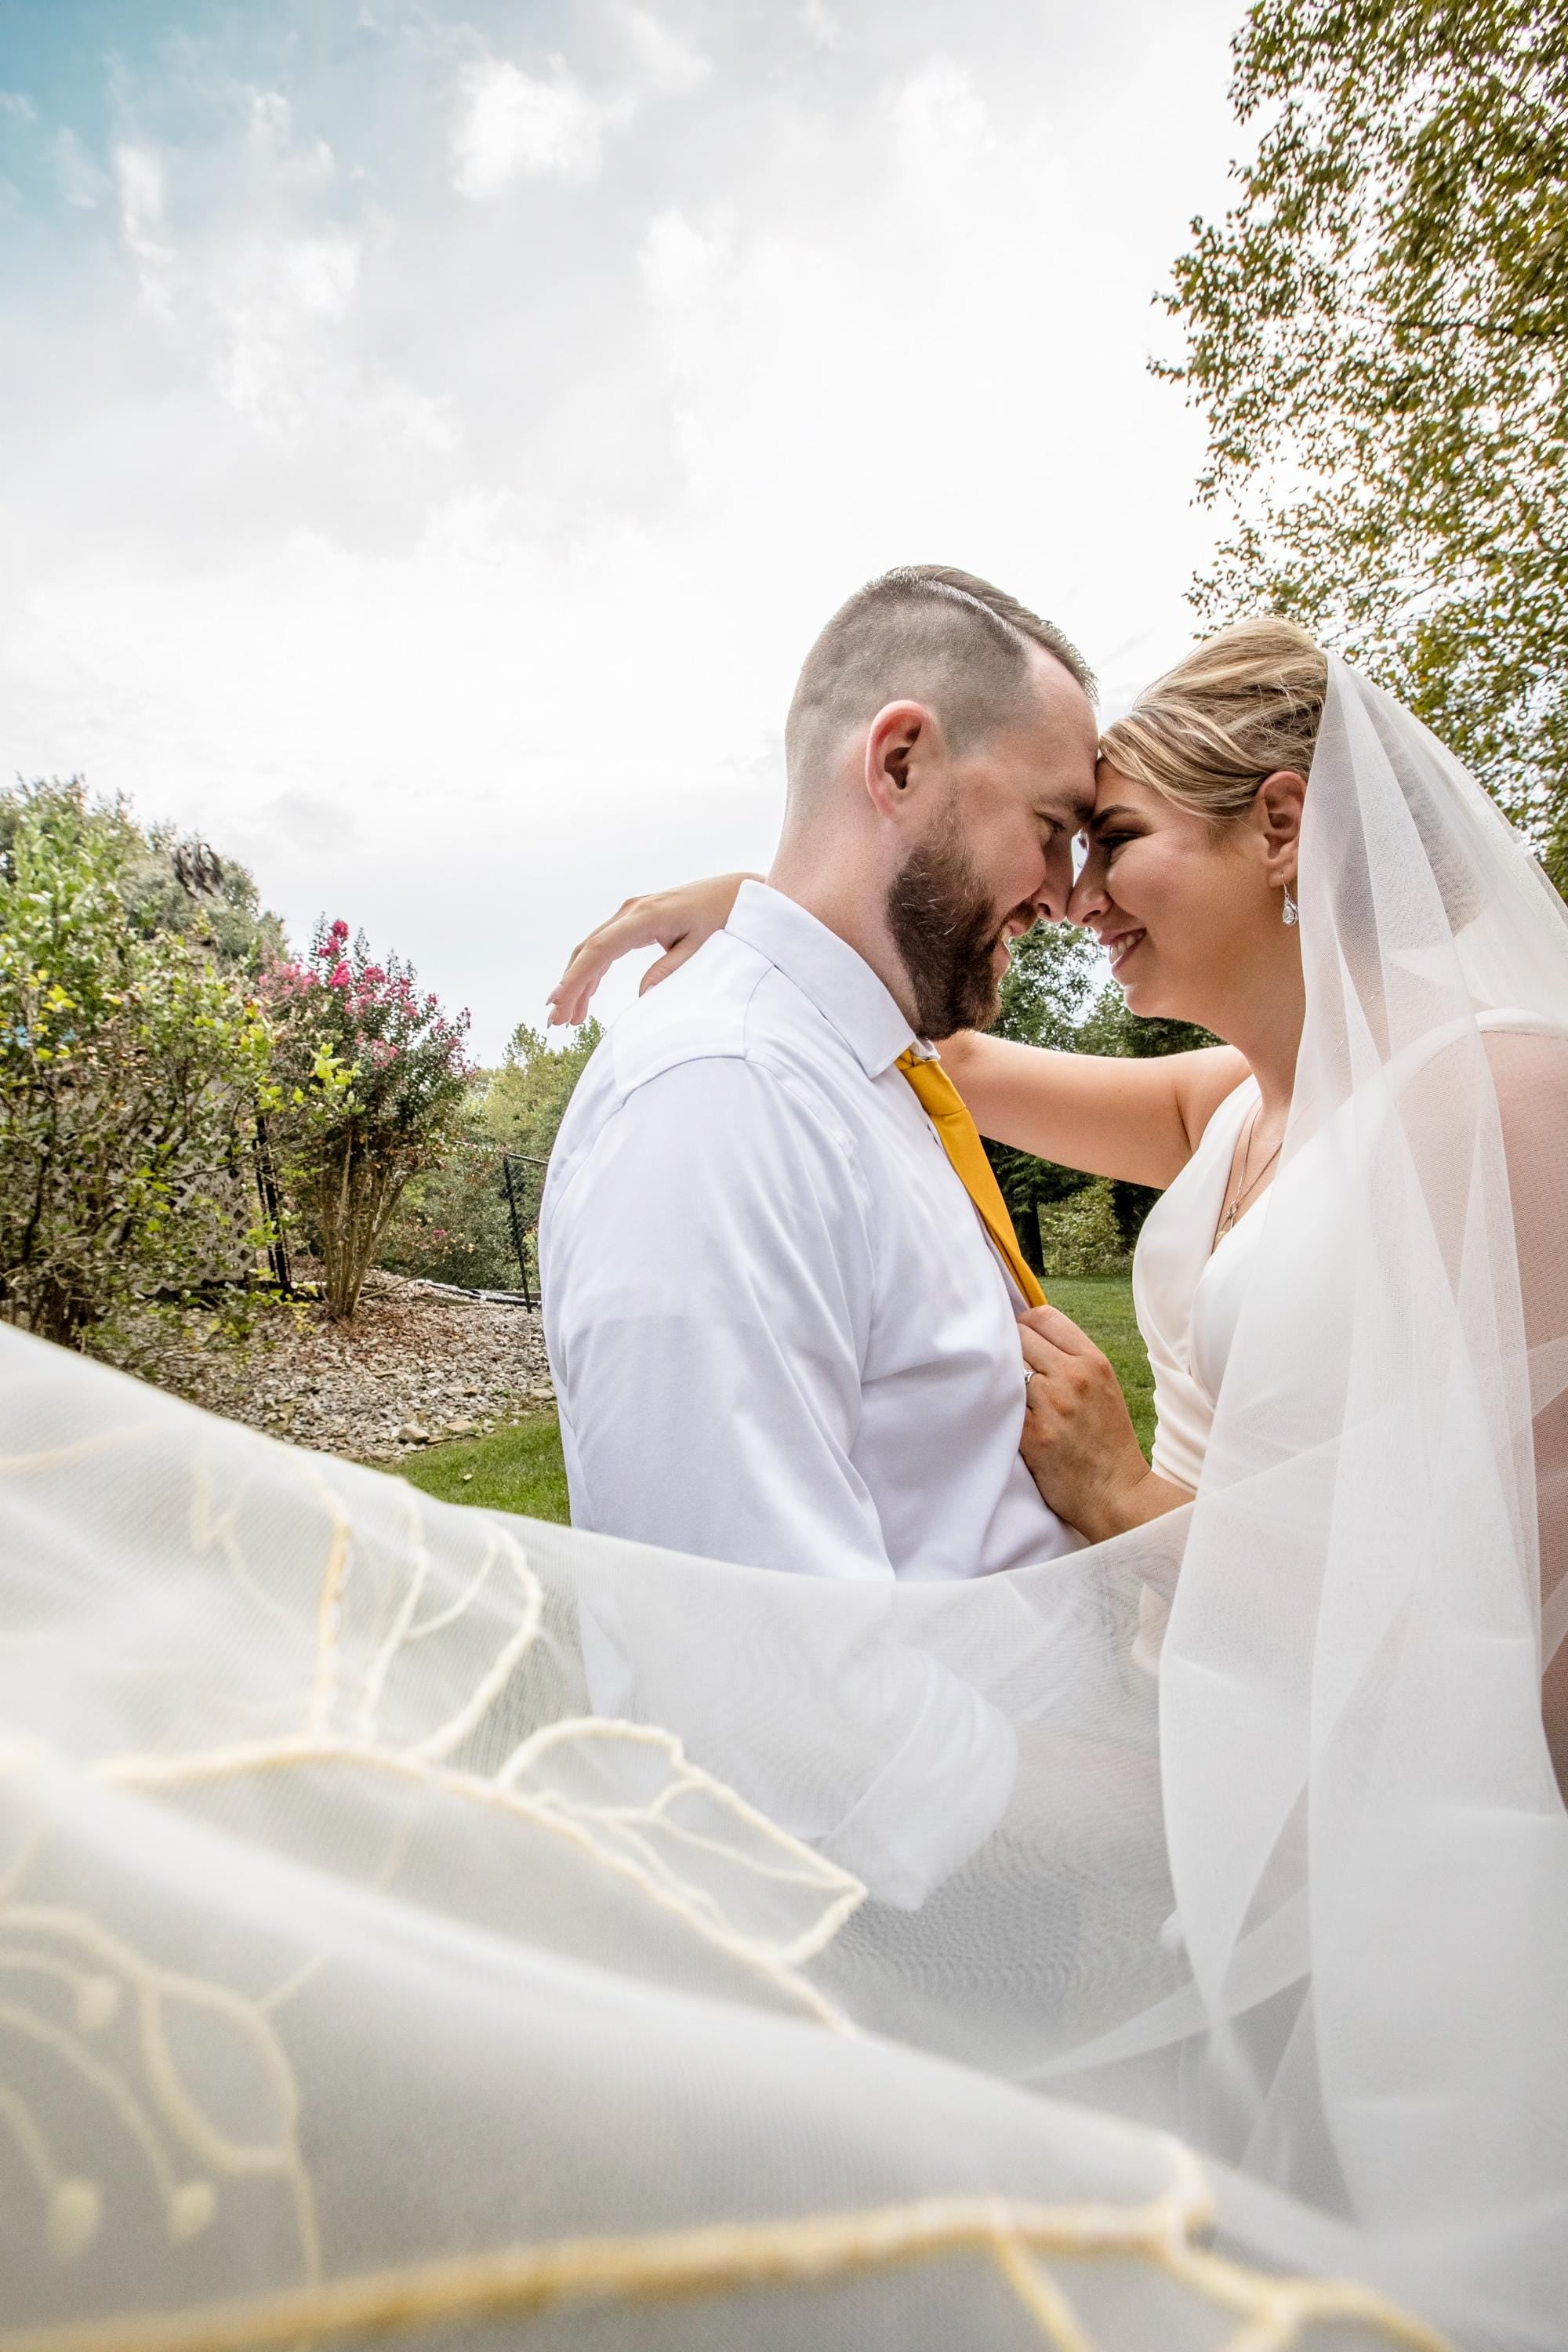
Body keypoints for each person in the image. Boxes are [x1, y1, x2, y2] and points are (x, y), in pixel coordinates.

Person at [550, 615, 1568, 1780]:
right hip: (1206, 1736)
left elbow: (1526, 1606)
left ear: (1281, 828)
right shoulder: (1233, 1103)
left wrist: (1122, 1497)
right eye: (1063, 841)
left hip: (1384, 1780)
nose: (1076, 899)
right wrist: (774, 904)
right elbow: (927, 1044)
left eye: (1111, 839)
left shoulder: (1500, 1099)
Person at [541, 564, 1101, 1581]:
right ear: (899, 764)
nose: (1064, 897)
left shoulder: (864, 1068)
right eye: (1052, 830)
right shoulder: (727, 1099)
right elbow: (760, 1654)